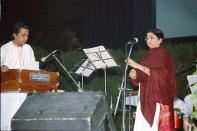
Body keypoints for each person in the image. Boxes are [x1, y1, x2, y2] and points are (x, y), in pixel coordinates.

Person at [126, 29, 177, 131]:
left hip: (158, 98)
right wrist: (135, 74)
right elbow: (145, 75)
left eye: (151, 37)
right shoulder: (148, 55)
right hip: (145, 97)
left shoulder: (164, 54)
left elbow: (160, 76)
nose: (148, 40)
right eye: (147, 38)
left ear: (160, 40)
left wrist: (137, 66)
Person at [0, 22, 39, 130]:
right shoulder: (4, 49)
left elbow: (33, 68)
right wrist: (2, 67)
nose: (26, 38)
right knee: (8, 123)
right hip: (9, 94)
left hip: (25, 92)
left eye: (27, 35)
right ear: (14, 35)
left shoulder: (28, 48)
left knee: (24, 123)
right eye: (23, 35)